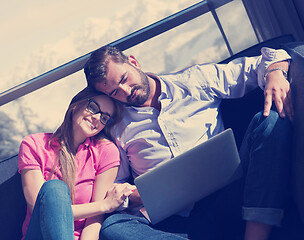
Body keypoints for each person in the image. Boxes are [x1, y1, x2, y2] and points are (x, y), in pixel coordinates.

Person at [84, 45, 293, 240]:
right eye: (114, 92)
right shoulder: (116, 128)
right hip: (178, 222)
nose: (126, 91)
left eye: (124, 79)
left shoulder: (194, 80)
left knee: (271, 122)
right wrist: (136, 195)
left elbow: (269, 59)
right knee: (114, 227)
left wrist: (275, 73)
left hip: (232, 193)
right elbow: (116, 189)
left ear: (133, 62)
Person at [18, 87, 136, 240]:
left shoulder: (106, 151)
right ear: (76, 104)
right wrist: (105, 205)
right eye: (93, 107)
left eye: (104, 118)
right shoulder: (34, 144)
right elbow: (40, 209)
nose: (97, 118)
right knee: (55, 188)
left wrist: (100, 209)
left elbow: (94, 220)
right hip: (39, 234)